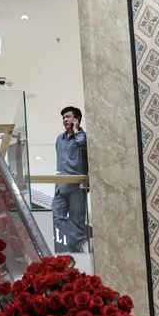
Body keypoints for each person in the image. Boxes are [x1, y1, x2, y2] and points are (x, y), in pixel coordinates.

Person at [52, 106, 89, 253]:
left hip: (77, 186)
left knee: (77, 222)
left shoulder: (82, 136)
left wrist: (76, 130)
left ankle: (78, 259)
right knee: (56, 216)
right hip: (61, 186)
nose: (65, 120)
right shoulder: (59, 139)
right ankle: (83, 241)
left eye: (68, 117)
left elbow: (84, 145)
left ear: (76, 119)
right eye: (63, 118)